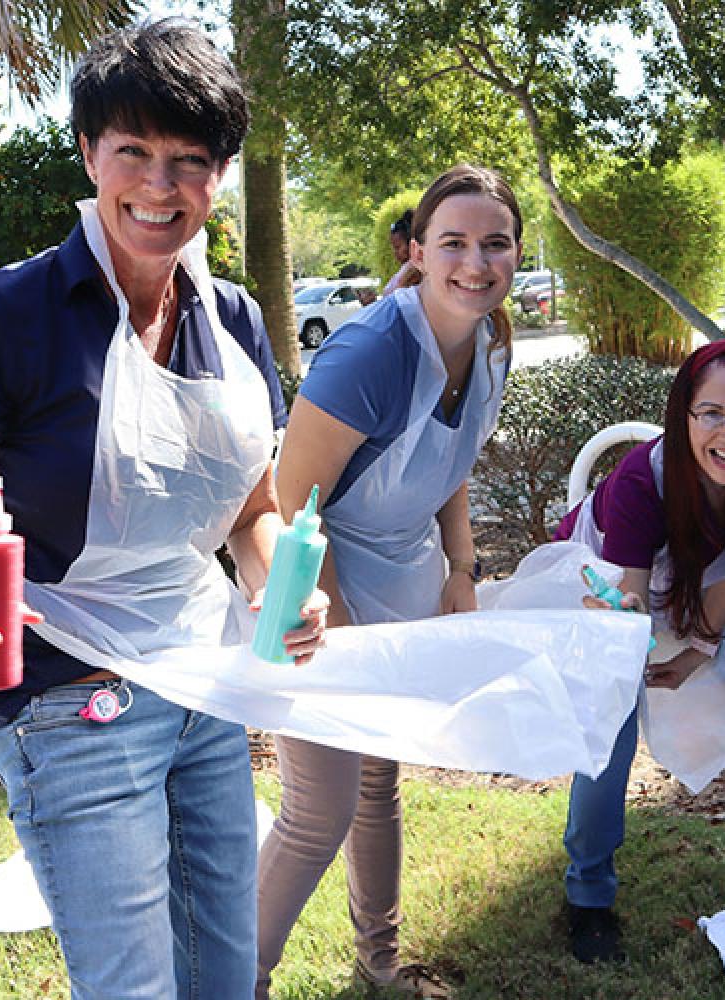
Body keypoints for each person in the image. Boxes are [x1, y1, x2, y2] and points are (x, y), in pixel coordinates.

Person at [0, 19, 327, 999]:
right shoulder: (9, 318)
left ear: (218, 176)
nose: (161, 189)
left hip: (199, 683)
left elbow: (253, 505)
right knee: (132, 986)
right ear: (90, 154)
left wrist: (278, 582)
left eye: (190, 162)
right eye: (135, 154)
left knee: (224, 972)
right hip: (67, 700)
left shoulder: (235, 318)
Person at [255, 164, 522, 999]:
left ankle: (381, 968)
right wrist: (324, 615)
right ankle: (234, 981)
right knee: (317, 812)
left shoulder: (493, 342)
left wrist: (462, 567)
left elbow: (453, 467)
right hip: (312, 583)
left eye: (495, 243)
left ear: (516, 252)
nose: (475, 263)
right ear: (417, 251)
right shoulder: (368, 352)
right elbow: (289, 498)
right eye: (453, 243)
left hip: (406, 579)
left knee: (380, 783)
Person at [553, 338, 725, 964]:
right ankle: (588, 896)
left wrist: (702, 648)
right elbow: (623, 608)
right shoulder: (639, 482)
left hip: (687, 584)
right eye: (712, 414)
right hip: (597, 590)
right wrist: (640, 667)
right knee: (610, 726)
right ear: (684, 416)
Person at [382, 209, 416, 295]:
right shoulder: (406, 268)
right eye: (394, 248)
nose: (395, 252)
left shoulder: (413, 270)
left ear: (411, 244)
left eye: (397, 247)